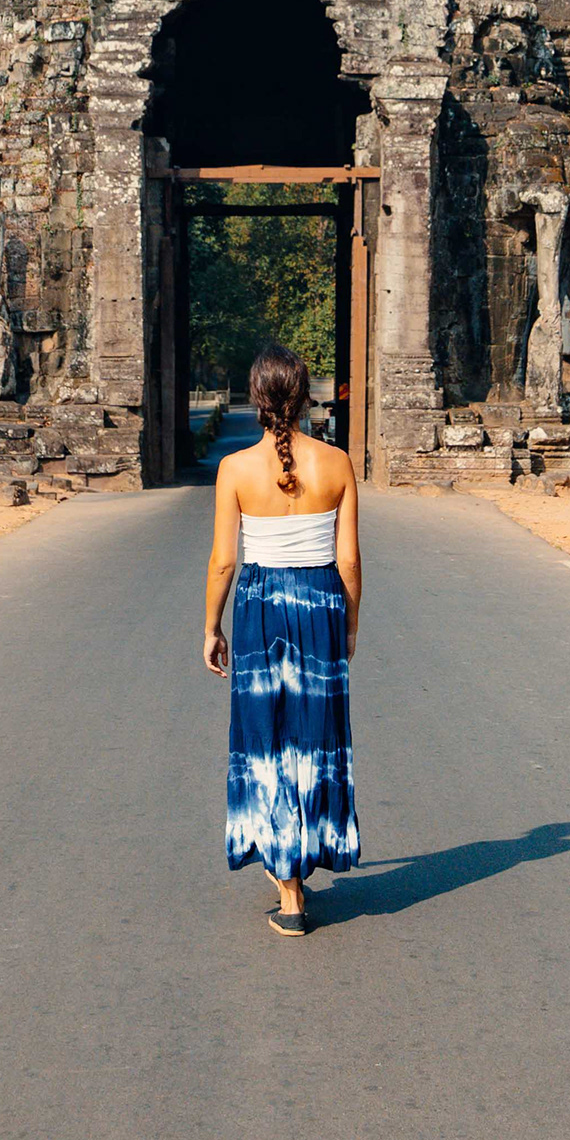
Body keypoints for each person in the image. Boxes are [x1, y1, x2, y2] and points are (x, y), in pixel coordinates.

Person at [201, 343, 361, 936]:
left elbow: (224, 562)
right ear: (304, 396)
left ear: (257, 398)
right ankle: (301, 857)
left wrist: (211, 627)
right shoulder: (338, 464)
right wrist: (348, 621)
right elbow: (348, 559)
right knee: (314, 737)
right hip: (319, 602)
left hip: (261, 608)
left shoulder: (236, 469)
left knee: (266, 734)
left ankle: (289, 890)